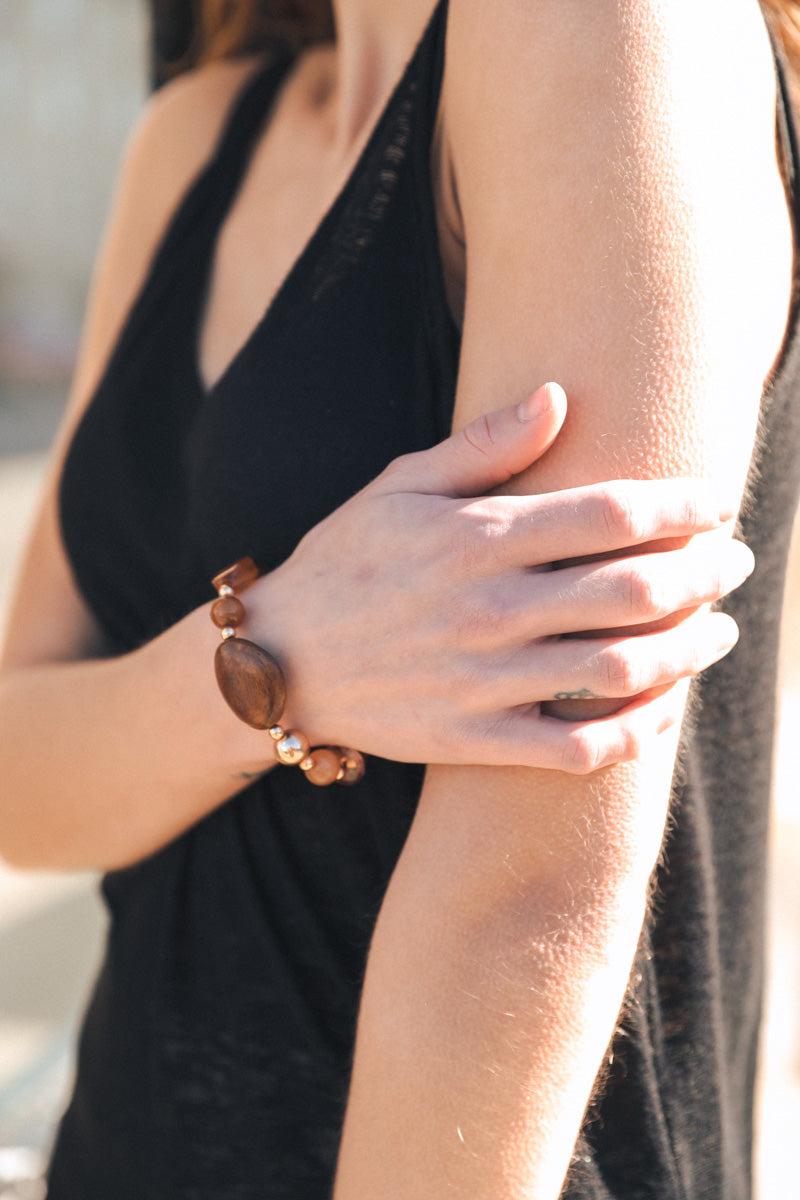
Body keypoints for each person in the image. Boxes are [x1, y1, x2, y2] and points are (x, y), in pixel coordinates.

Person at [0, 0, 798, 1196]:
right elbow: (23, 779)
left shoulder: (600, 28)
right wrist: (278, 660)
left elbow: (523, 901)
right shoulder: (196, 135)